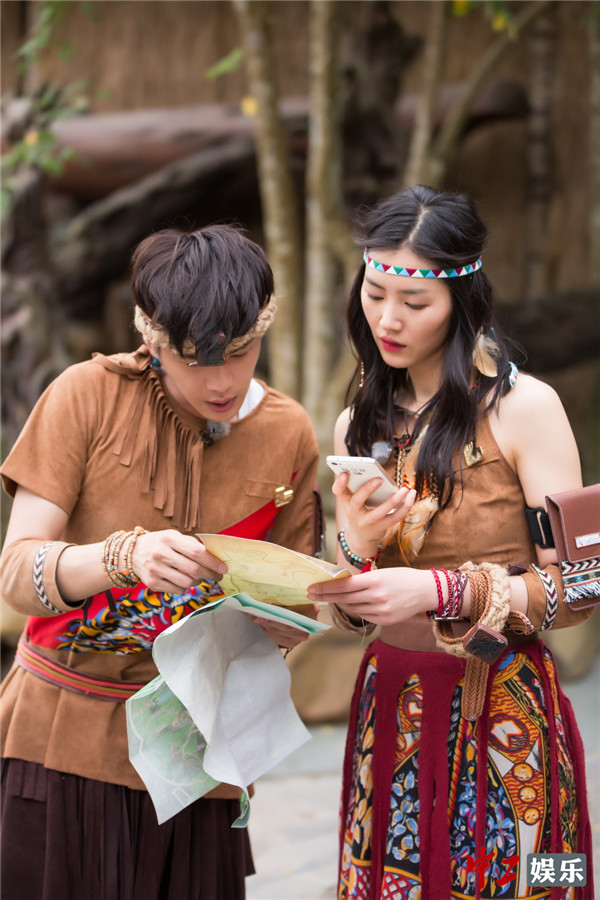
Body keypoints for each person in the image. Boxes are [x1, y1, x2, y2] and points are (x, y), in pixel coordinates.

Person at [0, 224, 320, 900]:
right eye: (196, 359)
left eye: (242, 351)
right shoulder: (85, 395)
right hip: (65, 737)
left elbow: (295, 599)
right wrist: (123, 556)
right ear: (152, 339)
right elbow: (16, 573)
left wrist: (289, 616)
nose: (223, 380)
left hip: (198, 756)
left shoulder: (288, 431)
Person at [308, 186, 595, 900]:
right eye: (375, 294)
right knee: (393, 882)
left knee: (535, 878)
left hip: (505, 705)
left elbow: (585, 586)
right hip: (390, 706)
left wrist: (441, 590)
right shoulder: (357, 423)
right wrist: (354, 549)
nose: (387, 319)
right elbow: (343, 609)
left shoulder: (526, 409)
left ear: (462, 301)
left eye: (415, 302)